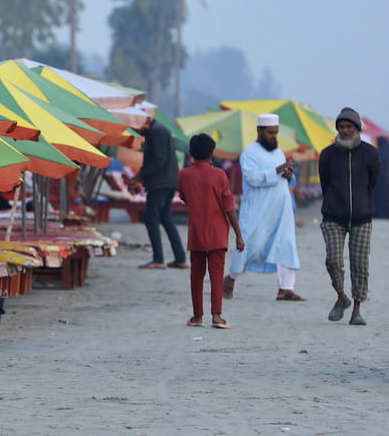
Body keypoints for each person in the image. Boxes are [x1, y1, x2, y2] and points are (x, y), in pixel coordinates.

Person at [223, 114, 305, 301]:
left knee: (286, 244)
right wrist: (277, 171)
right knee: (251, 245)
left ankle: (286, 288)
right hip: (258, 210)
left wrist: (288, 174)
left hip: (282, 210)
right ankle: (230, 279)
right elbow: (253, 178)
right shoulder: (249, 153)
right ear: (259, 131)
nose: (274, 136)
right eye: (270, 133)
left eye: (276, 133)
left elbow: (287, 178)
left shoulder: (278, 152)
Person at [319, 107, 380, 325]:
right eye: (341, 127)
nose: (344, 130)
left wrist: (360, 202)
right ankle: (341, 297)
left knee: (359, 264)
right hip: (333, 217)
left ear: (356, 128)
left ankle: (356, 310)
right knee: (333, 261)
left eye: (349, 127)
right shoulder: (327, 154)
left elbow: (372, 182)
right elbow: (325, 185)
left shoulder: (370, 153)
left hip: (362, 218)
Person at [178, 134, 244, 329]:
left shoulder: (183, 175)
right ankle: (217, 316)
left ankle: (197, 316)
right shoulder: (220, 175)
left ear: (192, 153)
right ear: (212, 153)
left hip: (196, 231)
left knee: (196, 275)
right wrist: (238, 235)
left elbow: (184, 197)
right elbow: (229, 207)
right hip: (217, 232)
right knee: (216, 274)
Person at [128, 118, 187, 269]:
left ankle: (158, 259)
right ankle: (180, 258)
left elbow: (160, 160)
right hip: (165, 181)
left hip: (161, 183)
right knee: (166, 218)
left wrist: (140, 176)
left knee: (151, 218)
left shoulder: (157, 131)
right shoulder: (156, 130)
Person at [372, 136, 389, 219]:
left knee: (377, 197)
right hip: (386, 178)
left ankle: (377, 214)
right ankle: (385, 215)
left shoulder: (376, 151)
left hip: (377, 178)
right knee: (385, 198)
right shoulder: (388, 152)